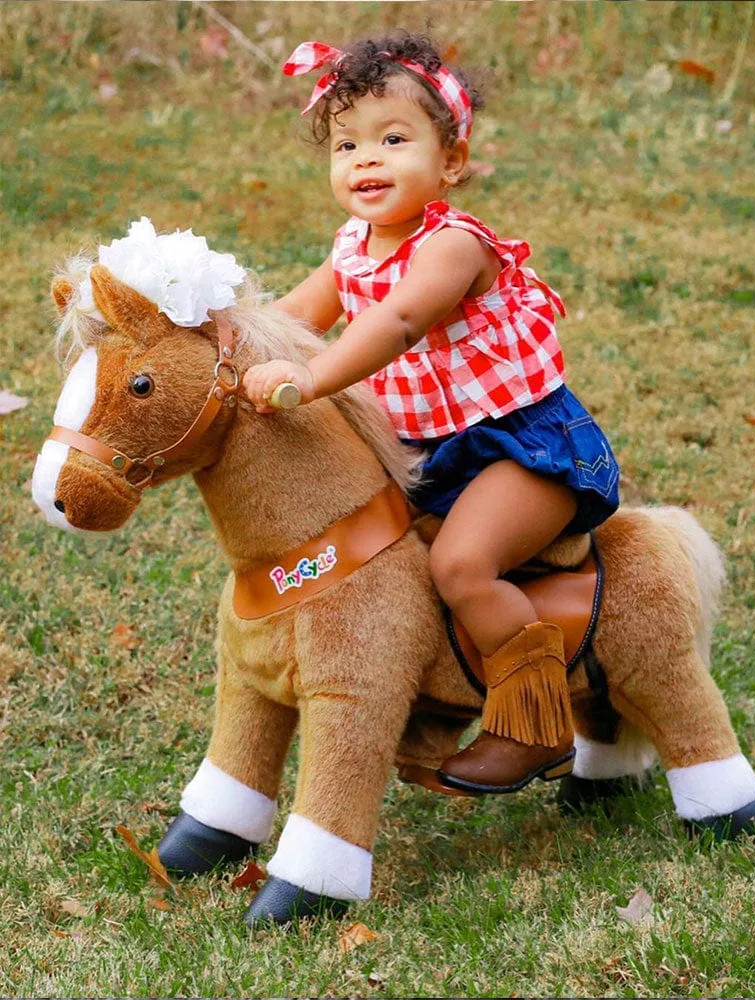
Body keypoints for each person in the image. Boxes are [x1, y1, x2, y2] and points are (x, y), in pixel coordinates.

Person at [242, 33, 620, 794]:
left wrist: (311, 380)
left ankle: (535, 724)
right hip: (432, 453)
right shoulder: (353, 245)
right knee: (383, 564)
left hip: (523, 448)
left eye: (393, 139)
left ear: (450, 162)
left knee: (459, 564)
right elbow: (293, 316)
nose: (366, 160)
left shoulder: (451, 246)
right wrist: (222, 342)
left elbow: (399, 323)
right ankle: (431, 706)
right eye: (346, 144)